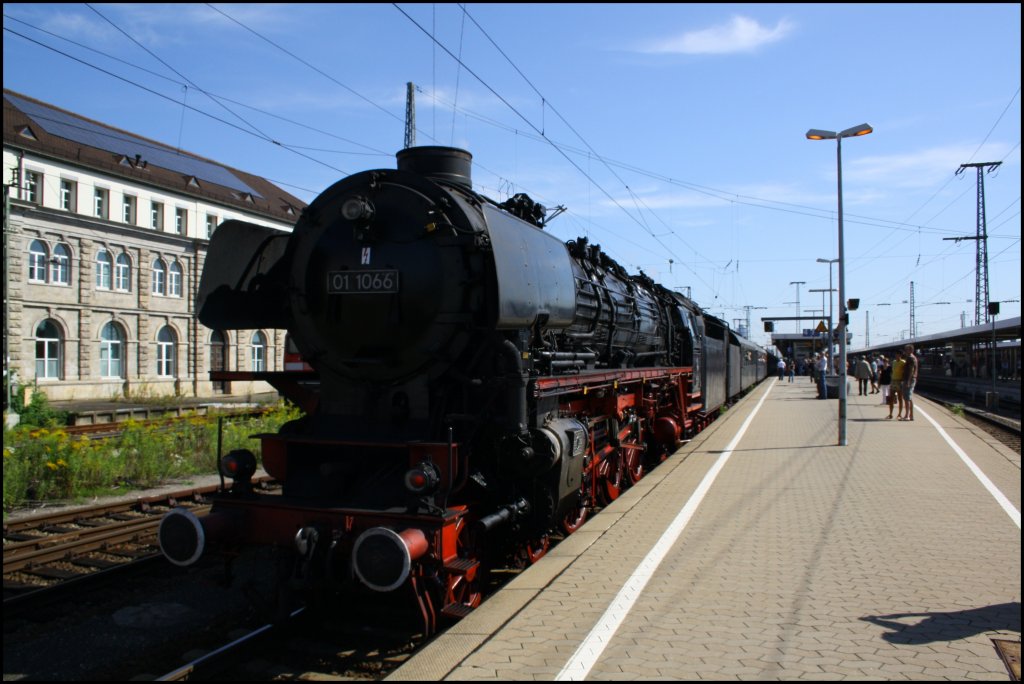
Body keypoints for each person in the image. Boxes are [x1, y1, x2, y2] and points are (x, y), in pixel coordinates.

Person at [901, 344, 918, 421]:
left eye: (906, 350)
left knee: (907, 398)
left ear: (911, 350)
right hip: (911, 379)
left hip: (909, 379)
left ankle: (907, 415)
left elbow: (911, 370)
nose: (905, 351)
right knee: (909, 398)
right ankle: (911, 415)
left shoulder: (910, 358)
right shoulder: (913, 358)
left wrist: (908, 381)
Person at [888, 350, 905, 420]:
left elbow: (904, 372)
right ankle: (890, 413)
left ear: (900, 355)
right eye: (896, 354)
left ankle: (899, 414)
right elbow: (892, 371)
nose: (896, 356)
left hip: (899, 381)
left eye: (898, 354)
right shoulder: (894, 362)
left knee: (900, 398)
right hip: (893, 381)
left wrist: (903, 381)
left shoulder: (903, 362)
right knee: (891, 398)